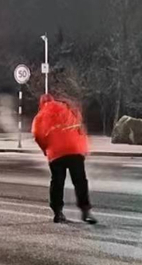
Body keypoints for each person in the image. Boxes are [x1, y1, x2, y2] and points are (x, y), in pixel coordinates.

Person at [31, 93, 96, 224]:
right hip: (74, 150)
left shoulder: (40, 116)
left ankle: (58, 212)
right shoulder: (67, 108)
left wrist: (46, 149)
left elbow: (37, 135)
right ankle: (85, 211)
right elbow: (79, 125)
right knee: (80, 181)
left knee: (57, 182)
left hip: (56, 153)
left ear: (41, 104)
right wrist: (81, 145)